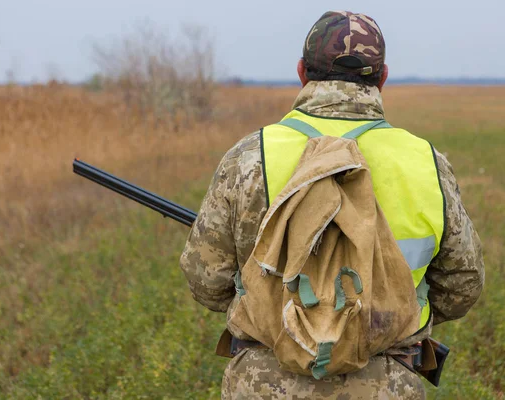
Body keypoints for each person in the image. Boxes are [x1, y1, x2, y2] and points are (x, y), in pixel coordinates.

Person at [180, 10, 484, 400]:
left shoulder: (247, 159)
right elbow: (462, 284)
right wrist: (383, 320)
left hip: (263, 384)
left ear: (302, 73)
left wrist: (273, 309)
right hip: (387, 385)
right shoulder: (426, 162)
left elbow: (206, 280)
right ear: (383, 77)